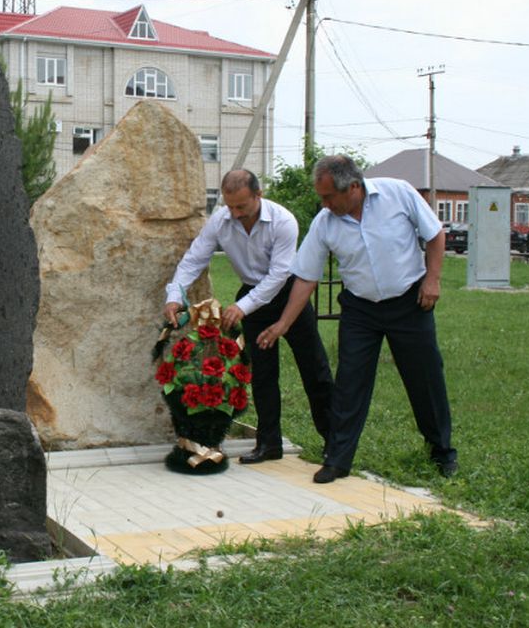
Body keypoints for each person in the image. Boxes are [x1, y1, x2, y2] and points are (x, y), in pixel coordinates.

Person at [257, 154, 458, 483]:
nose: (323, 204)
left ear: (352, 187)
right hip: (360, 309)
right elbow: (306, 277)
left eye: (327, 196)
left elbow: (435, 235)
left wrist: (432, 280)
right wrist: (284, 323)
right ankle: (337, 459)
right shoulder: (325, 222)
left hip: (410, 303)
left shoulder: (399, 194)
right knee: (350, 384)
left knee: (425, 378)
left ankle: (442, 452)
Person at [164, 169, 334, 464]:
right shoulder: (221, 220)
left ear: (259, 195)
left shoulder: (283, 221)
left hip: (289, 295)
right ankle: (269, 444)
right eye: (230, 206)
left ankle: (334, 440)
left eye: (242, 206)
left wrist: (243, 306)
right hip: (252, 296)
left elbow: (280, 273)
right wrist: (174, 297)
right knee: (263, 375)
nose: (235, 213)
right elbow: (194, 258)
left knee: (314, 370)